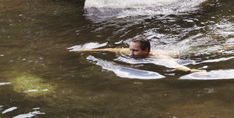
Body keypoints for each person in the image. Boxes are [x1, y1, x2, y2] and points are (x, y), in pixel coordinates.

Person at [75, 35, 206, 73]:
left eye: (135, 50)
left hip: (176, 52)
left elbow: (174, 65)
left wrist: (191, 71)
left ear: (146, 51)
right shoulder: (130, 51)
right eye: (130, 49)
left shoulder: (156, 57)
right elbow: (110, 49)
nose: (131, 53)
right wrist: (87, 51)